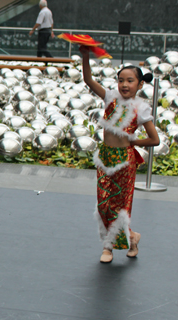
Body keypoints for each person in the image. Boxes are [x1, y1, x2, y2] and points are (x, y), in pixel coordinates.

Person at [80, 45, 160, 263]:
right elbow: (88, 80)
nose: (124, 85)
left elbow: (155, 139)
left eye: (130, 81)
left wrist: (133, 140)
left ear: (140, 84)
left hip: (125, 161)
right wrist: (86, 56)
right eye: (121, 80)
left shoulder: (141, 108)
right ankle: (132, 238)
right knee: (104, 203)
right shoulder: (110, 97)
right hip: (105, 158)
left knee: (120, 205)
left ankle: (108, 248)